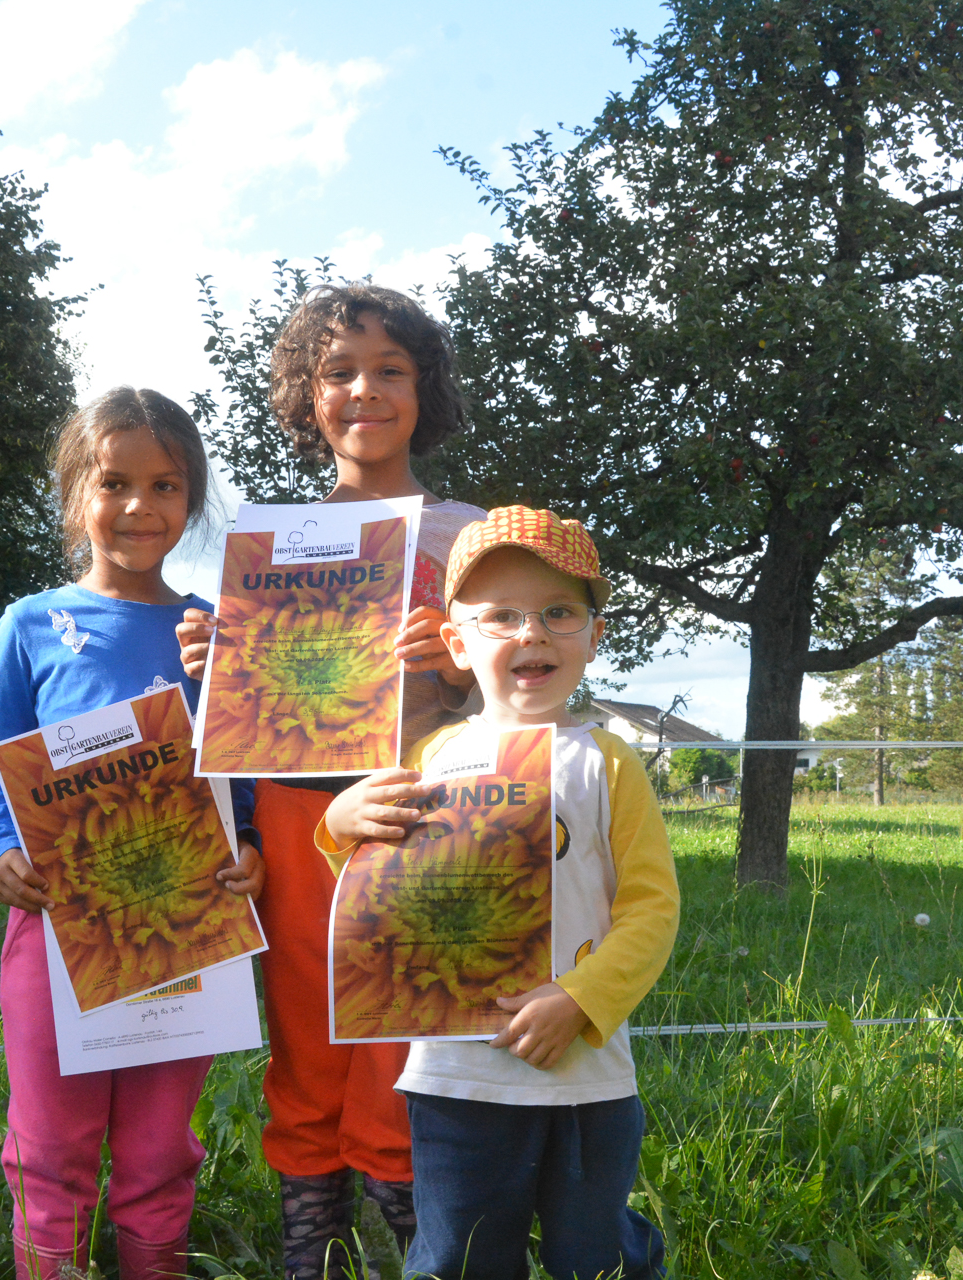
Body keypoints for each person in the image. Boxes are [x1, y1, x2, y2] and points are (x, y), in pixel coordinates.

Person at [177, 283, 485, 1277]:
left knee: (402, 1032)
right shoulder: (264, 545)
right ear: (307, 396)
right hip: (295, 810)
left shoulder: (471, 533)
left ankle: (412, 1223)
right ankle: (310, 1234)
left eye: (390, 369)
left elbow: (519, 689)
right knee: (305, 1032)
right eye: (339, 372)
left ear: (425, 386)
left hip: (418, 811)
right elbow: (237, 717)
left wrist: (456, 668)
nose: (365, 390)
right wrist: (213, 660)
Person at [318, 506, 679, 1280]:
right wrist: (338, 823)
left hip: (586, 1078)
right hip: (456, 1077)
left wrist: (581, 999)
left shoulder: (608, 761)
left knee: (596, 1257)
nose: (531, 633)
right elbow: (378, 890)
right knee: (458, 1257)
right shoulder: (432, 756)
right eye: (501, 616)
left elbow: (652, 910)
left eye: (559, 613)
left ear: (594, 635)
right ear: (457, 643)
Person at [0, 386, 264, 1280]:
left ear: (193, 497)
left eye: (166, 485)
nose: (141, 505)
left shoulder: (217, 630)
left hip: (186, 930)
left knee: (158, 1147)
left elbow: (243, 761)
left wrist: (249, 843)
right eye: (115, 483)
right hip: (55, 925)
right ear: (74, 493)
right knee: (48, 1145)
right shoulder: (30, 623)